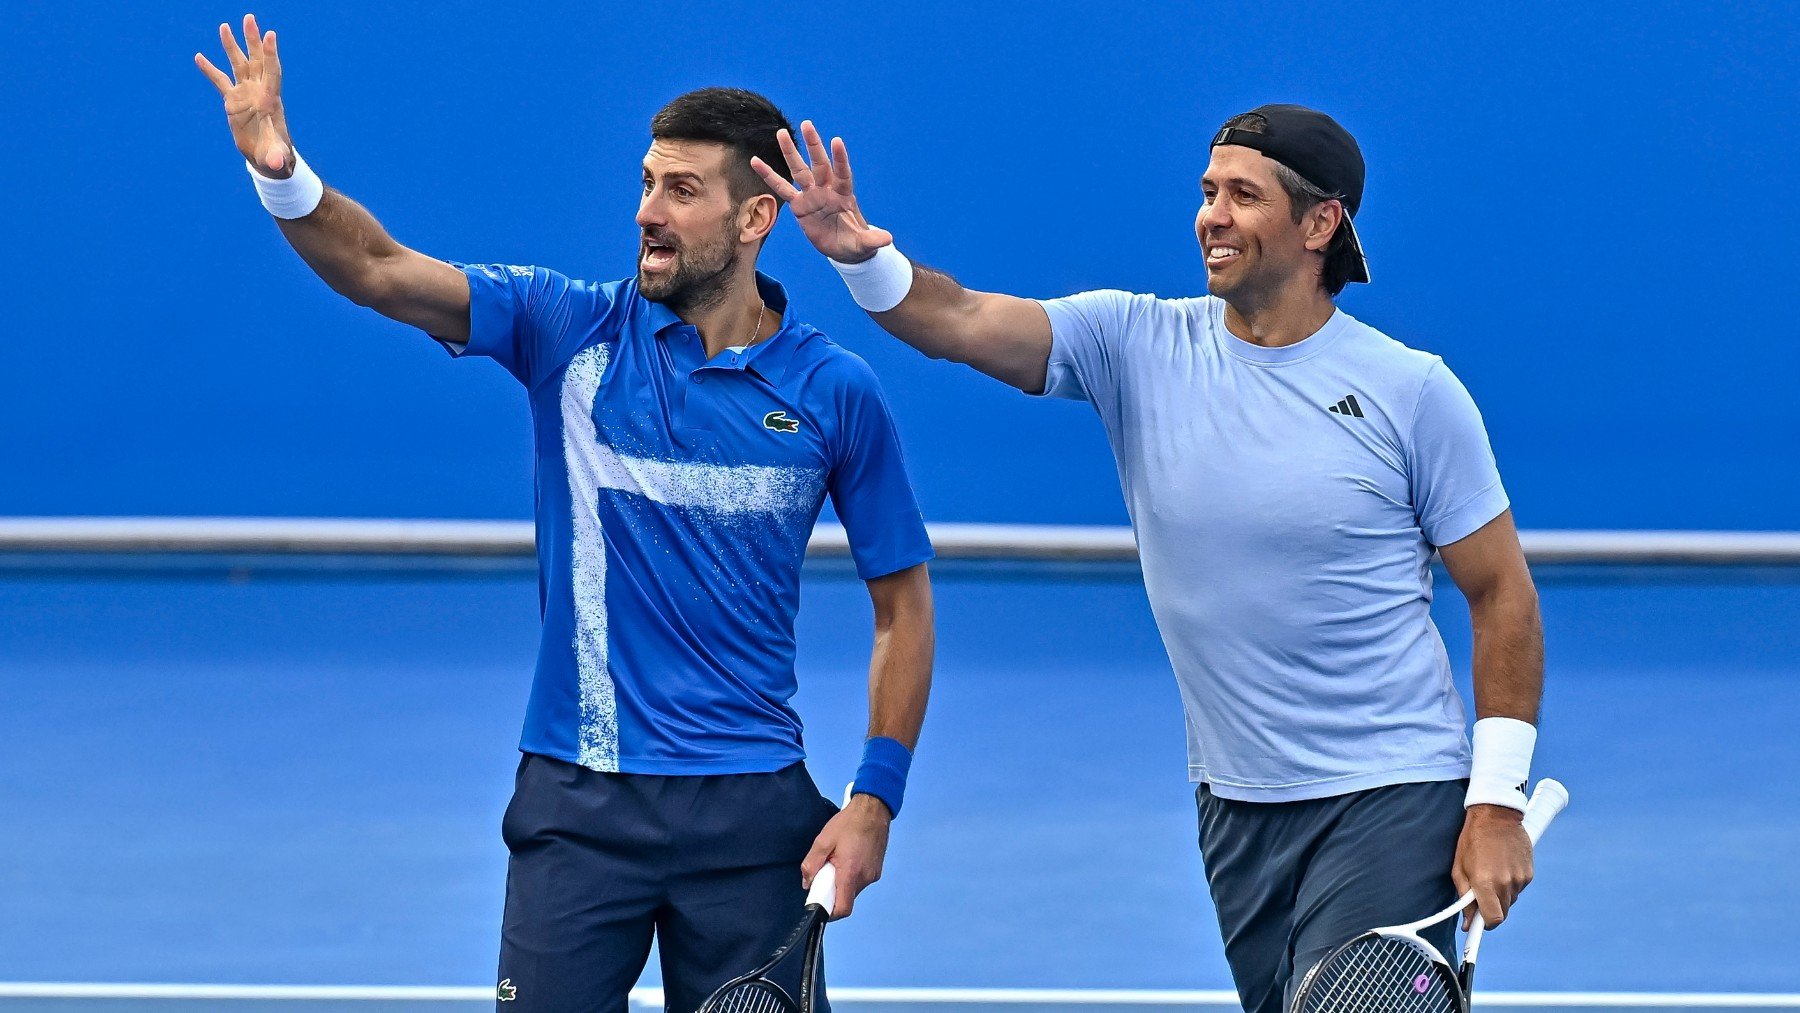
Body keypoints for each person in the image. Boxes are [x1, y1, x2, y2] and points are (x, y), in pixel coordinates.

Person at [196, 17, 936, 1013]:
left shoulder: (834, 391)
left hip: (755, 811)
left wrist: (874, 798)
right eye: (645, 183)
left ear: (757, 217)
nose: (648, 212)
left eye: (682, 189)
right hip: (578, 804)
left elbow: (904, 603)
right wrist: (283, 171)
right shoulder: (567, 330)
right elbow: (378, 268)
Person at [753, 105, 1545, 1013]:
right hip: (1235, 807)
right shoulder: (1134, 342)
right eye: (1209, 193)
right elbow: (957, 317)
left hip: (1393, 793)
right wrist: (855, 252)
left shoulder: (1413, 391)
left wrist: (1494, 801)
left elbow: (1501, 594)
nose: (1212, 216)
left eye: (1244, 196)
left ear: (1321, 223)